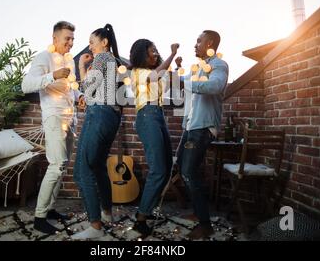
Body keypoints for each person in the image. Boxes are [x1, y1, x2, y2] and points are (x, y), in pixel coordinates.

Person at [21, 21, 85, 234]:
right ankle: (39, 217)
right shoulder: (43, 57)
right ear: (54, 38)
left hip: (70, 118)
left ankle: (49, 209)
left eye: (73, 39)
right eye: (67, 38)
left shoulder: (69, 60)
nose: (71, 43)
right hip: (54, 117)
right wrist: (53, 76)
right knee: (56, 165)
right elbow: (26, 85)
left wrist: (80, 95)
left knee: (63, 165)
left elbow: (70, 88)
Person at [71, 24, 123, 240]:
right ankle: (107, 213)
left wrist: (82, 68)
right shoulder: (113, 61)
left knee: (82, 170)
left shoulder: (102, 59)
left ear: (104, 42)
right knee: (98, 166)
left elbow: (87, 89)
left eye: (92, 42)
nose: (90, 47)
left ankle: (95, 226)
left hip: (99, 114)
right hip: (110, 116)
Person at [176, 30, 229, 240]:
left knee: (189, 172)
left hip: (203, 127)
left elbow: (215, 85)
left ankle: (206, 225)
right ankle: (199, 213)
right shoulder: (197, 68)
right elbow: (183, 82)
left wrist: (185, 82)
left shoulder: (218, 65)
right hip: (190, 127)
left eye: (199, 40)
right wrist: (178, 69)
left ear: (210, 43)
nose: (195, 44)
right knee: (183, 168)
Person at [129, 39, 179, 237]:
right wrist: (172, 54)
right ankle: (140, 220)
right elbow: (156, 74)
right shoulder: (137, 73)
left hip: (158, 116)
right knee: (158, 169)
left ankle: (146, 210)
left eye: (157, 51)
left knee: (166, 167)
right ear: (142, 54)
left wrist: (177, 65)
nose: (156, 54)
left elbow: (167, 84)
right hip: (147, 117)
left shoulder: (154, 74)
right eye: (152, 51)